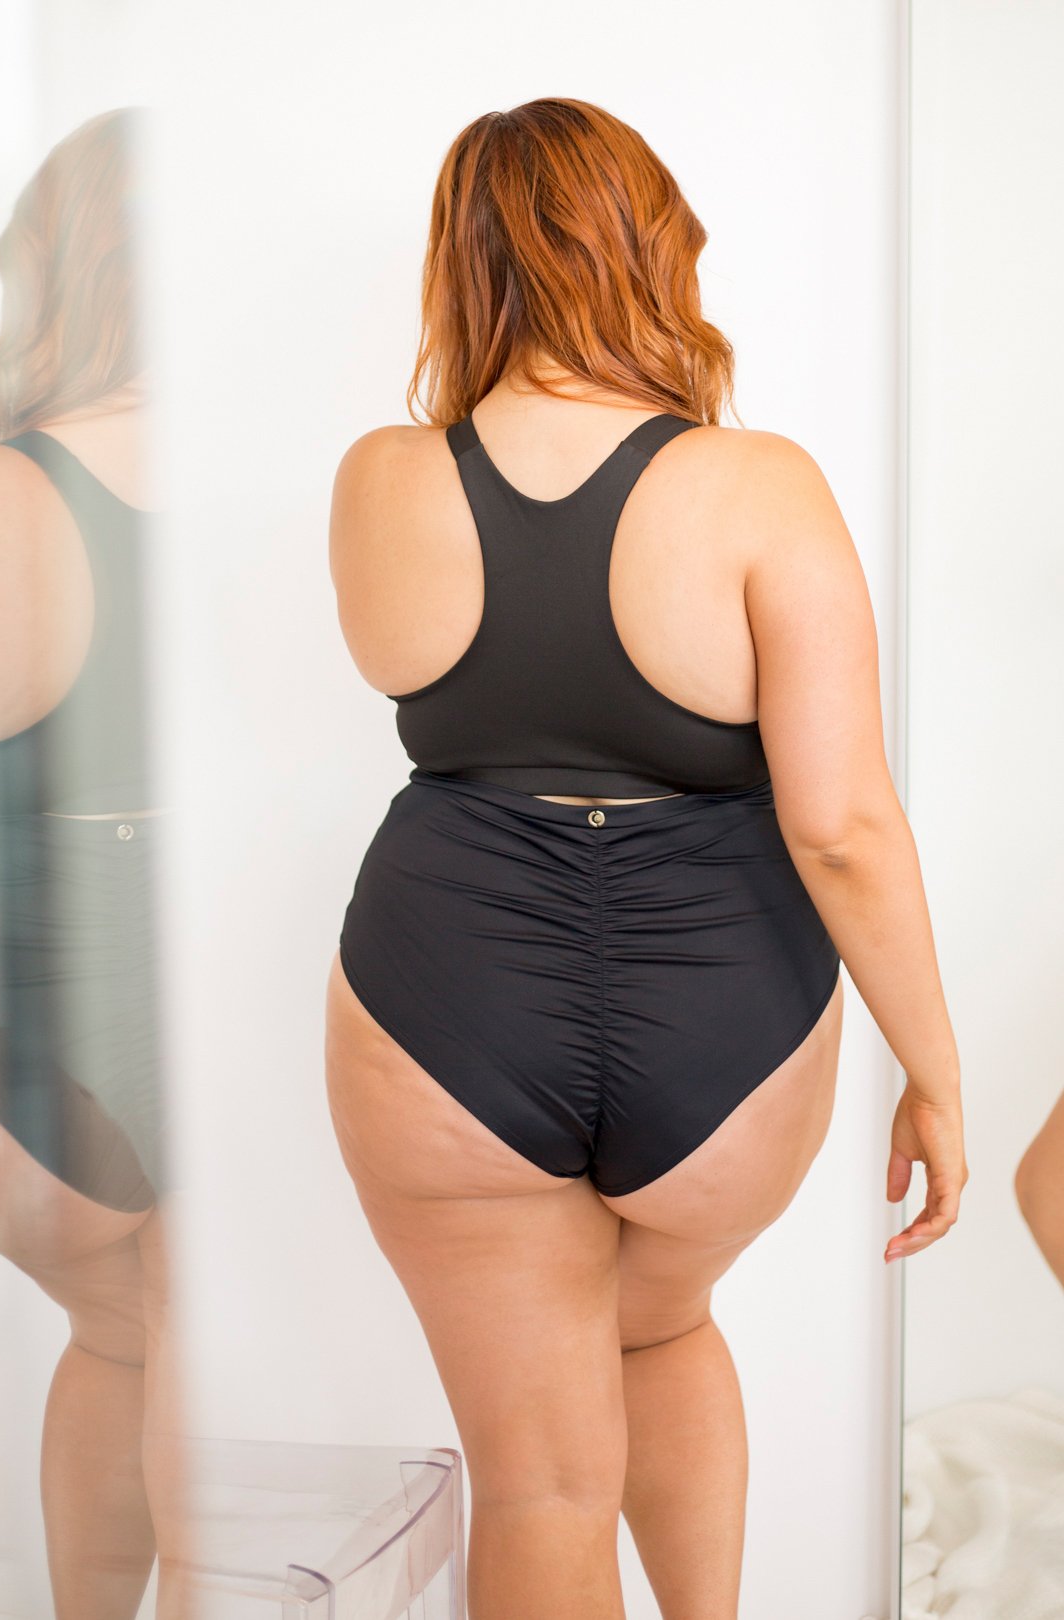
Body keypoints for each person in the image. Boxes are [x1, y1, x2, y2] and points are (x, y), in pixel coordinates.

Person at [323, 97, 968, 1620]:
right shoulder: (760, 485)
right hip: (724, 1016)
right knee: (661, 1326)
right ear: (646, 246)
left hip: (445, 1000)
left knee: (541, 1485)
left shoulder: (382, 478)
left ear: (464, 261)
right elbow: (842, 826)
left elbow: (424, 682)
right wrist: (933, 1071)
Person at [0, 107, 191, 1620]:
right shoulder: (278, 480)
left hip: (25, 1054)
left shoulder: (7, 492)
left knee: (120, 1337)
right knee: (177, 1356)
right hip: (183, 1006)